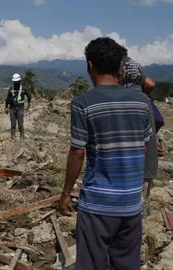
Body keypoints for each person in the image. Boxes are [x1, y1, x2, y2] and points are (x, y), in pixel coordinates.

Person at [58, 37, 152, 270]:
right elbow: (144, 146)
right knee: (127, 263)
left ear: (90, 65)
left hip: (98, 205)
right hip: (131, 204)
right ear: (120, 66)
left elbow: (77, 152)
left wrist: (66, 193)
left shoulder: (83, 103)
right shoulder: (142, 102)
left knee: (91, 263)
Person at [120, 54, 165, 267]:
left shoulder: (125, 99)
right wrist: (152, 138)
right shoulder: (145, 100)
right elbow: (158, 119)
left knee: (130, 217)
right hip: (146, 166)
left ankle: (134, 259)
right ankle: (138, 258)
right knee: (140, 214)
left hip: (131, 169)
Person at [5, 73, 31, 141]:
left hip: (20, 109)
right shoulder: (11, 89)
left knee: (20, 124)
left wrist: (29, 103)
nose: (15, 83)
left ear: (19, 81)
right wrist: (6, 107)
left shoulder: (24, 88)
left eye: (16, 82)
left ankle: (22, 136)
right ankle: (13, 137)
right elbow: (7, 99)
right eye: (14, 82)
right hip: (12, 109)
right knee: (13, 124)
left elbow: (29, 95)